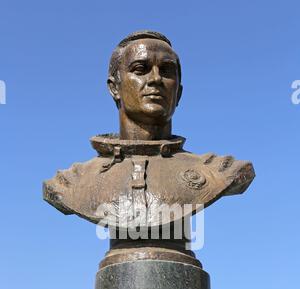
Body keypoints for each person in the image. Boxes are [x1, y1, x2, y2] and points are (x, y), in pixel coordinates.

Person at [43, 31, 254, 231]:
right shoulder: (72, 181)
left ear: (178, 92)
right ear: (114, 88)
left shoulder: (218, 170)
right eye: (140, 69)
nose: (155, 79)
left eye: (166, 70)